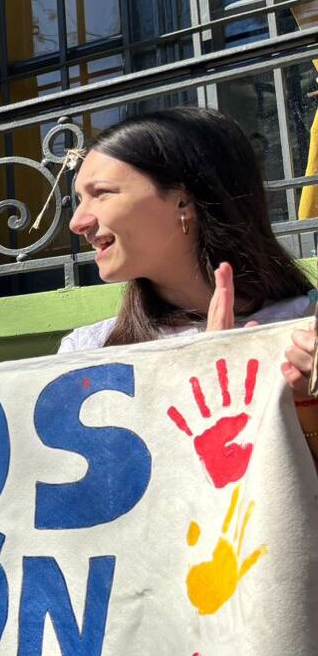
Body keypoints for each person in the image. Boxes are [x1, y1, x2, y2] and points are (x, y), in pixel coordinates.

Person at [63, 108, 318, 443]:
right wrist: (202, 375)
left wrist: (308, 406)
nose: (77, 222)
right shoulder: (87, 352)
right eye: (80, 199)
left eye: (102, 193)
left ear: (183, 201)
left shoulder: (307, 325)